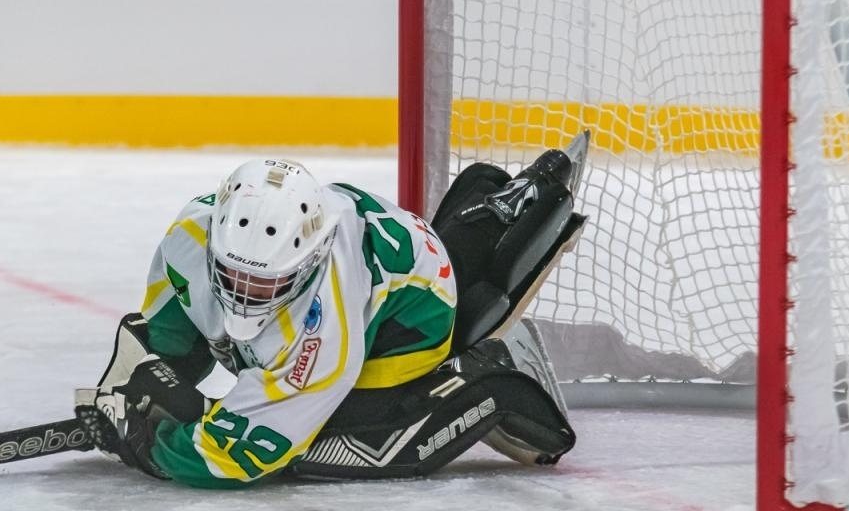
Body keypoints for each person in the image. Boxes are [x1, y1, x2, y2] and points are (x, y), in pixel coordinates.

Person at [75, 138, 592, 487]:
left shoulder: (328, 325)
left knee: (321, 442)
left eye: (269, 280)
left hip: (414, 318)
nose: (248, 294)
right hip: (392, 249)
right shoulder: (193, 230)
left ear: (312, 257)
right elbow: (167, 318)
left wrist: (152, 447)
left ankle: (488, 383)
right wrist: (164, 371)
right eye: (234, 274)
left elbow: (242, 453)